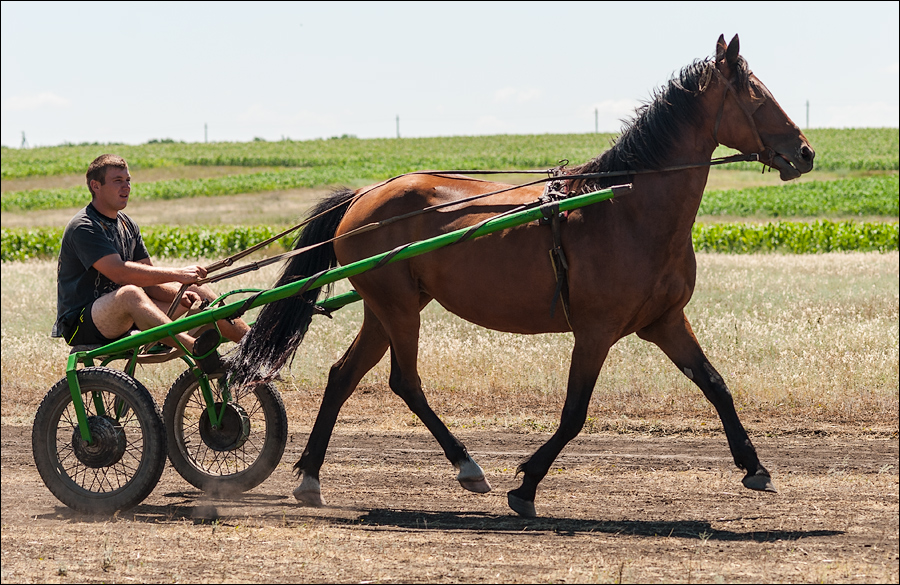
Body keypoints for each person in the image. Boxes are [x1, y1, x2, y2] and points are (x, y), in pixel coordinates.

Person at [52, 154, 249, 358]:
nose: (126, 187)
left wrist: (182, 294)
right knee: (130, 293)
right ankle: (195, 349)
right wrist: (177, 274)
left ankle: (256, 346)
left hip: (128, 314)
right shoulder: (84, 226)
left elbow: (150, 284)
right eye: (117, 181)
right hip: (82, 324)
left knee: (199, 291)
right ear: (96, 186)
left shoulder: (127, 224)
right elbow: (119, 273)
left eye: (128, 180)